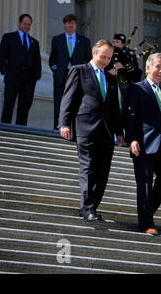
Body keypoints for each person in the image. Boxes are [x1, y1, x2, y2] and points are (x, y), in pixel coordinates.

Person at [58, 39, 124, 222]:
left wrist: (119, 131)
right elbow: (68, 98)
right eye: (103, 56)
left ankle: (91, 206)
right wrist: (64, 124)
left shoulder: (111, 78)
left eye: (109, 58)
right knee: (87, 168)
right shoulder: (79, 70)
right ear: (94, 53)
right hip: (85, 128)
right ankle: (88, 208)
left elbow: (113, 107)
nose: (105, 61)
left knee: (103, 171)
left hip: (106, 131)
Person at [124, 53, 161, 235]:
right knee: (145, 185)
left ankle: (146, 212)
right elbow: (130, 115)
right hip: (144, 144)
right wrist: (132, 139)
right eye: (158, 67)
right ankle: (146, 223)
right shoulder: (136, 89)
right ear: (148, 68)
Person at [0, 14, 41, 126]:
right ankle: (5, 130)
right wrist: (4, 70)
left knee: (25, 106)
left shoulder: (34, 43)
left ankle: (21, 129)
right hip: (12, 75)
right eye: (25, 24)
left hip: (29, 78)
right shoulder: (8, 37)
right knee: (8, 104)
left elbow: (37, 60)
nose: (26, 26)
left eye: (29, 25)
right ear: (19, 23)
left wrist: (37, 75)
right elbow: (1, 55)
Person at [49, 14, 92, 130]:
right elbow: (52, 59)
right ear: (65, 25)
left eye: (73, 23)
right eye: (68, 23)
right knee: (59, 103)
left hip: (77, 77)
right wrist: (55, 70)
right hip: (60, 77)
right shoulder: (57, 39)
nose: (71, 25)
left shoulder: (84, 41)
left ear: (76, 25)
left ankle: (72, 128)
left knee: (75, 102)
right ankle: (57, 128)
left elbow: (89, 60)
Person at [107, 33, 143, 114]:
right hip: (112, 85)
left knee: (127, 110)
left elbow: (136, 70)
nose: (114, 44)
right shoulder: (109, 53)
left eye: (117, 42)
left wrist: (123, 66)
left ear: (123, 44)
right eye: (113, 42)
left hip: (126, 86)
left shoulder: (129, 53)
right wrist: (108, 72)